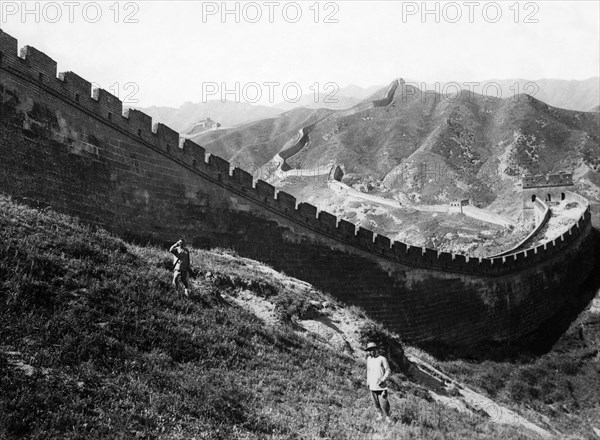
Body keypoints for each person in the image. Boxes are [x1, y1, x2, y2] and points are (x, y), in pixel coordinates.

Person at [366, 341, 392, 423]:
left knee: (384, 402)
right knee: (375, 403)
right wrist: (368, 381)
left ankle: (388, 417)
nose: (372, 352)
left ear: (377, 350)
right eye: (370, 350)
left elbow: (388, 370)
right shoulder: (369, 359)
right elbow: (368, 371)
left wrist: (383, 379)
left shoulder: (382, 359)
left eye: (373, 350)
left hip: (381, 386)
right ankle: (380, 415)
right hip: (372, 385)